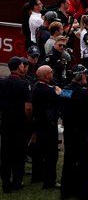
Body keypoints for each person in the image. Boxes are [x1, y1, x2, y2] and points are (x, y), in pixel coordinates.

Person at [60, 65, 88, 199]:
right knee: (84, 161)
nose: (86, 76)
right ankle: (83, 191)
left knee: (69, 159)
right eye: (84, 74)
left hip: (69, 131)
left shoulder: (65, 90)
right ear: (79, 76)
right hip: (82, 132)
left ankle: (66, 190)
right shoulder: (83, 92)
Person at [0, 57, 32, 193]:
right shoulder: (23, 84)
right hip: (20, 124)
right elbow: (28, 107)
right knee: (19, 154)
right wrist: (30, 121)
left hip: (6, 122)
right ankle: (17, 183)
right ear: (19, 67)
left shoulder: (2, 82)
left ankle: (6, 184)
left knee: (5, 154)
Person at [30, 65, 60, 189]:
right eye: (51, 72)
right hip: (48, 126)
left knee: (38, 152)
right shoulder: (48, 91)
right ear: (47, 75)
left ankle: (37, 176)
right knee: (51, 155)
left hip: (38, 124)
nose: (52, 74)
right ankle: (49, 181)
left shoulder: (36, 87)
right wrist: (56, 90)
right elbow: (60, 93)